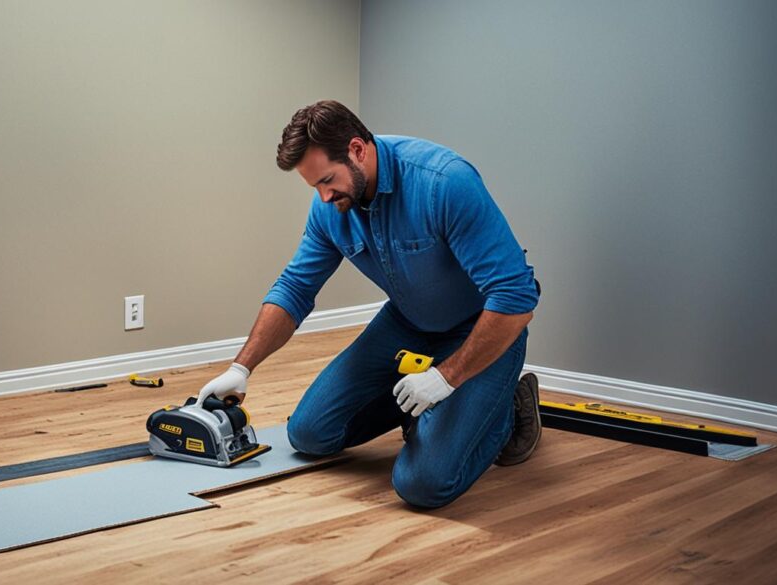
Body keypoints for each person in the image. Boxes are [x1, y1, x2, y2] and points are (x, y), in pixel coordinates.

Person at [197, 100, 541, 509]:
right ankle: (434, 415)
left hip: (482, 328)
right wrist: (241, 367)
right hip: (408, 322)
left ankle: (506, 412)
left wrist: (445, 379)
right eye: (314, 187)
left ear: (358, 150)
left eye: (328, 180)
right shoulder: (331, 207)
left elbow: (516, 298)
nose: (324, 196)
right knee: (309, 434)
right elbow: (294, 288)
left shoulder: (444, 183)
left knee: (421, 484)